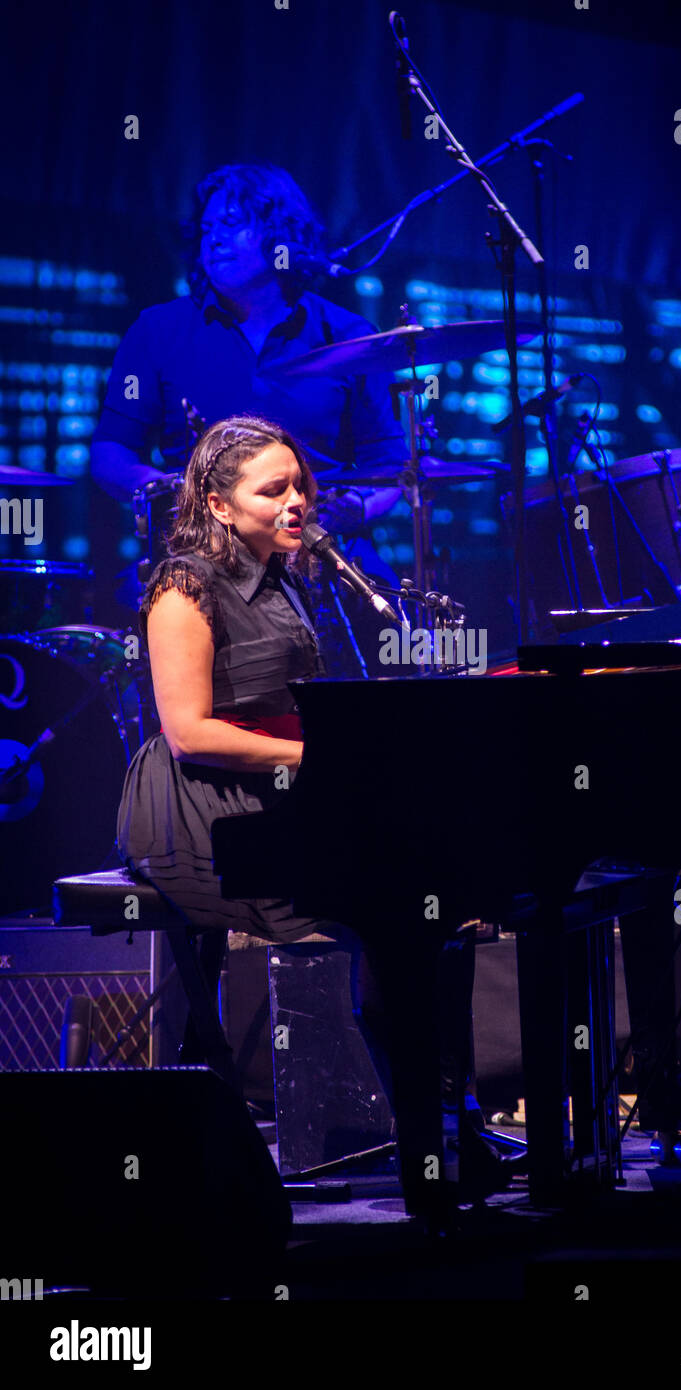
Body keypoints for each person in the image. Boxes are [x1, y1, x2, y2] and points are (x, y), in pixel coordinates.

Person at [117, 413, 508, 1208]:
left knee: (438, 900)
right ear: (220, 506)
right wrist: (312, 758)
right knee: (387, 907)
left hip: (280, 786)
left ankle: (442, 1119)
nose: (297, 501)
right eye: (275, 490)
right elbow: (188, 732)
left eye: (301, 486)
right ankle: (431, 1146)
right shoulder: (183, 586)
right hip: (199, 805)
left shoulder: (297, 576)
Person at [91, 162, 406, 672]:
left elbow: (391, 468)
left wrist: (353, 509)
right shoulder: (158, 330)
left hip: (324, 558)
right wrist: (170, 490)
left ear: (281, 233)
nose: (214, 239)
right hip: (202, 559)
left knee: (396, 652)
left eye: (232, 224)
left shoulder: (347, 334)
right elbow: (110, 453)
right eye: (208, 228)